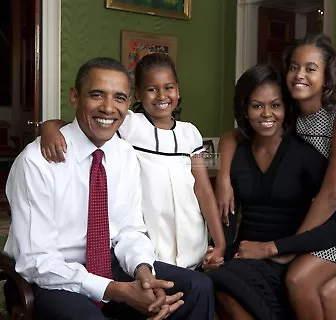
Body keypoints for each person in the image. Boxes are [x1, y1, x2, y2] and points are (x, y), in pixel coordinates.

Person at [4, 57, 215, 320]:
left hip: (109, 264)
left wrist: (143, 273)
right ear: (74, 97)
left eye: (119, 98)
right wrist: (119, 291)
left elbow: (130, 230)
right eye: (96, 95)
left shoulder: (124, 154)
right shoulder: (37, 161)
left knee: (197, 287)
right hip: (51, 278)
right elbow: (38, 261)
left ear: (128, 104)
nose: (108, 108)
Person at [216, 34, 336, 320]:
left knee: (298, 277)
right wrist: (224, 177)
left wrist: (287, 248)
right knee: (326, 291)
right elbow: (233, 135)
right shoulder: (290, 114)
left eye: (310, 69)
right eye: (293, 67)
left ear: (327, 76)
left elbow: (331, 195)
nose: (299, 75)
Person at [39, 53, 225, 271]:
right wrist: (48, 127)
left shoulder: (191, 133)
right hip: (149, 242)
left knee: (194, 291)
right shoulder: (128, 124)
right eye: (151, 89)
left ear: (178, 90)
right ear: (137, 95)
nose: (161, 95)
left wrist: (219, 243)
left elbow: (203, 189)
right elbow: (80, 126)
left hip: (192, 238)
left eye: (169, 87)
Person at [207, 64, 336, 320]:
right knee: (215, 281)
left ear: (286, 109)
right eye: (256, 106)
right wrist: (218, 250)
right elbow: (227, 214)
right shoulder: (237, 153)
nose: (267, 114)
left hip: (288, 256)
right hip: (247, 254)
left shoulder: (304, 154)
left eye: (275, 105)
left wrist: (276, 249)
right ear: (244, 109)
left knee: (227, 283)